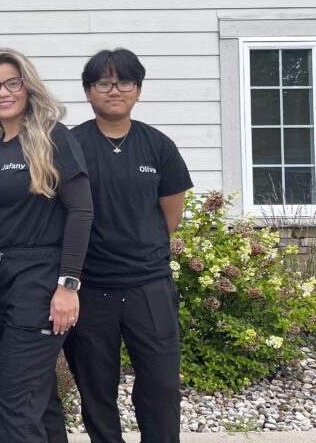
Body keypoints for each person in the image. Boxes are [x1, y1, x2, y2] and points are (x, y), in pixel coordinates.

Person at [64, 49, 192, 443]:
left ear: (137, 89)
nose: (114, 90)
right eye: (104, 82)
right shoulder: (70, 144)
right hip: (90, 289)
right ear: (88, 91)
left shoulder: (158, 146)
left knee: (161, 386)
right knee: (95, 389)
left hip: (148, 286)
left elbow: (171, 215)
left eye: (124, 82)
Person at [0, 48, 93, 443]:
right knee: (38, 398)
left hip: (40, 282)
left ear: (28, 87)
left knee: (12, 397)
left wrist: (67, 285)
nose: (2, 92)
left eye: (12, 83)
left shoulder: (52, 137)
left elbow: (81, 212)